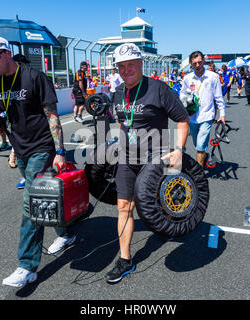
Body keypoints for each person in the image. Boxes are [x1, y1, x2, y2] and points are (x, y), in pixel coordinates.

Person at [0, 35, 75, 288]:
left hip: (43, 149)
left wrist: (60, 151)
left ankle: (26, 266)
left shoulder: (35, 77)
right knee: (45, 199)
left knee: (31, 203)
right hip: (21, 151)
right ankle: (66, 233)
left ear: (7, 53)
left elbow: (52, 116)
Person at [106, 43, 189, 283]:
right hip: (127, 159)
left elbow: (183, 120)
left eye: (131, 64)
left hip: (155, 160)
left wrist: (179, 150)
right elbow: (123, 123)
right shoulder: (119, 91)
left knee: (158, 204)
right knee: (124, 207)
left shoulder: (159, 89)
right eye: (121, 66)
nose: (126, 70)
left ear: (141, 64)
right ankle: (125, 260)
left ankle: (166, 226)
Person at [180, 51, 225, 168]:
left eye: (200, 62)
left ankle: (199, 176)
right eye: (195, 63)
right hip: (192, 116)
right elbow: (182, 94)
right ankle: (204, 156)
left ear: (204, 61)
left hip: (207, 115)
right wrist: (186, 99)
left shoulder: (213, 76)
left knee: (200, 145)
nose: (198, 65)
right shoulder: (187, 78)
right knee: (197, 144)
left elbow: (218, 97)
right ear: (191, 64)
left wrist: (222, 114)